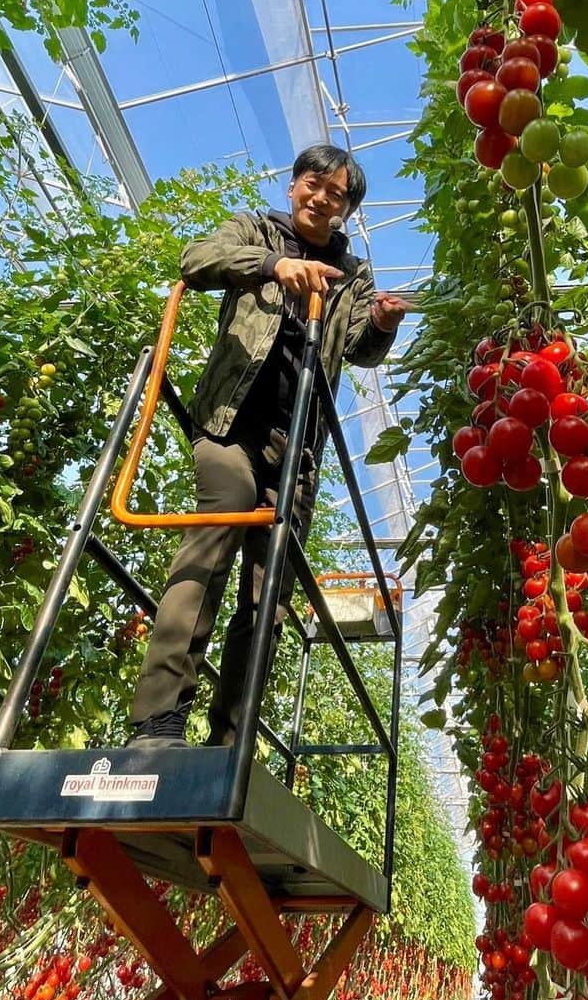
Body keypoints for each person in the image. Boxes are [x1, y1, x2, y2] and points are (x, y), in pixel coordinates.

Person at [127, 145, 410, 748]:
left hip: (297, 451)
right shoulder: (254, 231)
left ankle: (231, 741)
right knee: (210, 544)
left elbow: (357, 345)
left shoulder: (353, 273)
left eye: (338, 195)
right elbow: (196, 260)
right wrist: (271, 266)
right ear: (294, 186)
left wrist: (383, 323)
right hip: (231, 428)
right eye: (315, 184)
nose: (323, 199)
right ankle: (157, 718)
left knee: (268, 597)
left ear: (346, 210)